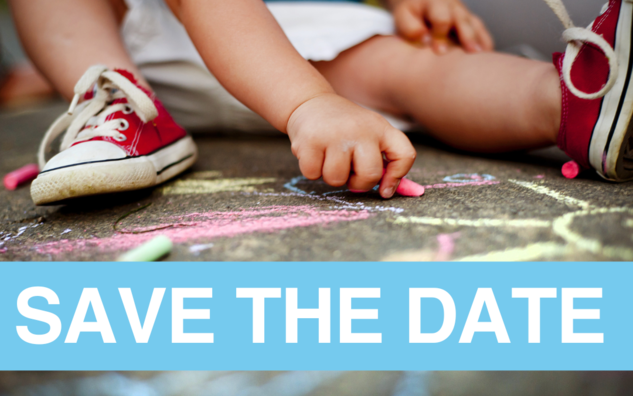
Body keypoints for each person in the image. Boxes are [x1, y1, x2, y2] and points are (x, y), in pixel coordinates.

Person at [8, 0, 632, 206]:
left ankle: (578, 104)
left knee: (413, 67)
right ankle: (107, 98)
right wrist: (308, 103)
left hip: (283, 30)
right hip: (137, 48)